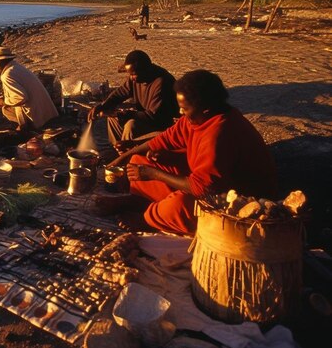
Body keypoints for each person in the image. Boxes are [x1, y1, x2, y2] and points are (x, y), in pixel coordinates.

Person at [110, 70, 278, 236]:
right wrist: (124, 156)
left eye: (184, 109)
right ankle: (141, 200)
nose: (180, 113)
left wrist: (153, 173)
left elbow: (202, 189)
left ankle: (147, 219)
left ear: (205, 109)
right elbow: (162, 140)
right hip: (205, 182)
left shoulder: (220, 132)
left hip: (237, 200)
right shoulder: (197, 119)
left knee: (180, 204)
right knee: (139, 159)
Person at [87, 50, 179, 152]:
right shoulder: (136, 77)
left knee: (131, 125)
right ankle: (118, 150)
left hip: (161, 126)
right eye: (130, 74)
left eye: (134, 74)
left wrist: (126, 114)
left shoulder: (162, 82)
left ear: (145, 70)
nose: (131, 77)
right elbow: (120, 93)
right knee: (112, 119)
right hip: (144, 118)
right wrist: (103, 106)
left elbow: (153, 116)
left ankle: (129, 156)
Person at [0, 46, 58, 132]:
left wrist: (3, 102)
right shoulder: (17, 67)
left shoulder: (7, 75)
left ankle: (26, 127)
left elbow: (21, 98)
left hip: (38, 119)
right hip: (48, 113)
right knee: (8, 106)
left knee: (6, 110)